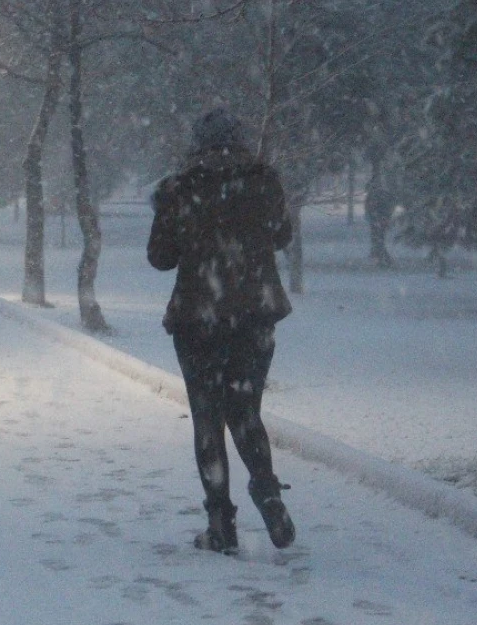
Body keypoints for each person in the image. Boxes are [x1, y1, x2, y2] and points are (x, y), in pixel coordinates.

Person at [147, 108, 296, 554]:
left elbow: (160, 257)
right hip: (254, 317)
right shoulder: (264, 180)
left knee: (208, 419)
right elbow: (282, 236)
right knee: (246, 411)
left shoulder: (180, 188)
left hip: (198, 319)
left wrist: (168, 211)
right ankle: (268, 492)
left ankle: (220, 524)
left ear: (197, 143)